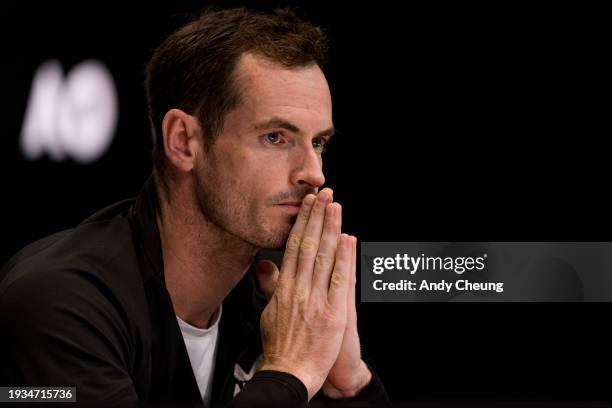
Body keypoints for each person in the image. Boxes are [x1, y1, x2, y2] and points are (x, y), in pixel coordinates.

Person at [0, 7, 390, 407]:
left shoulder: (273, 308)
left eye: (318, 143)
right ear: (183, 141)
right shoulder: (59, 304)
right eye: (275, 137)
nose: (314, 173)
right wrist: (288, 374)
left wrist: (350, 384)